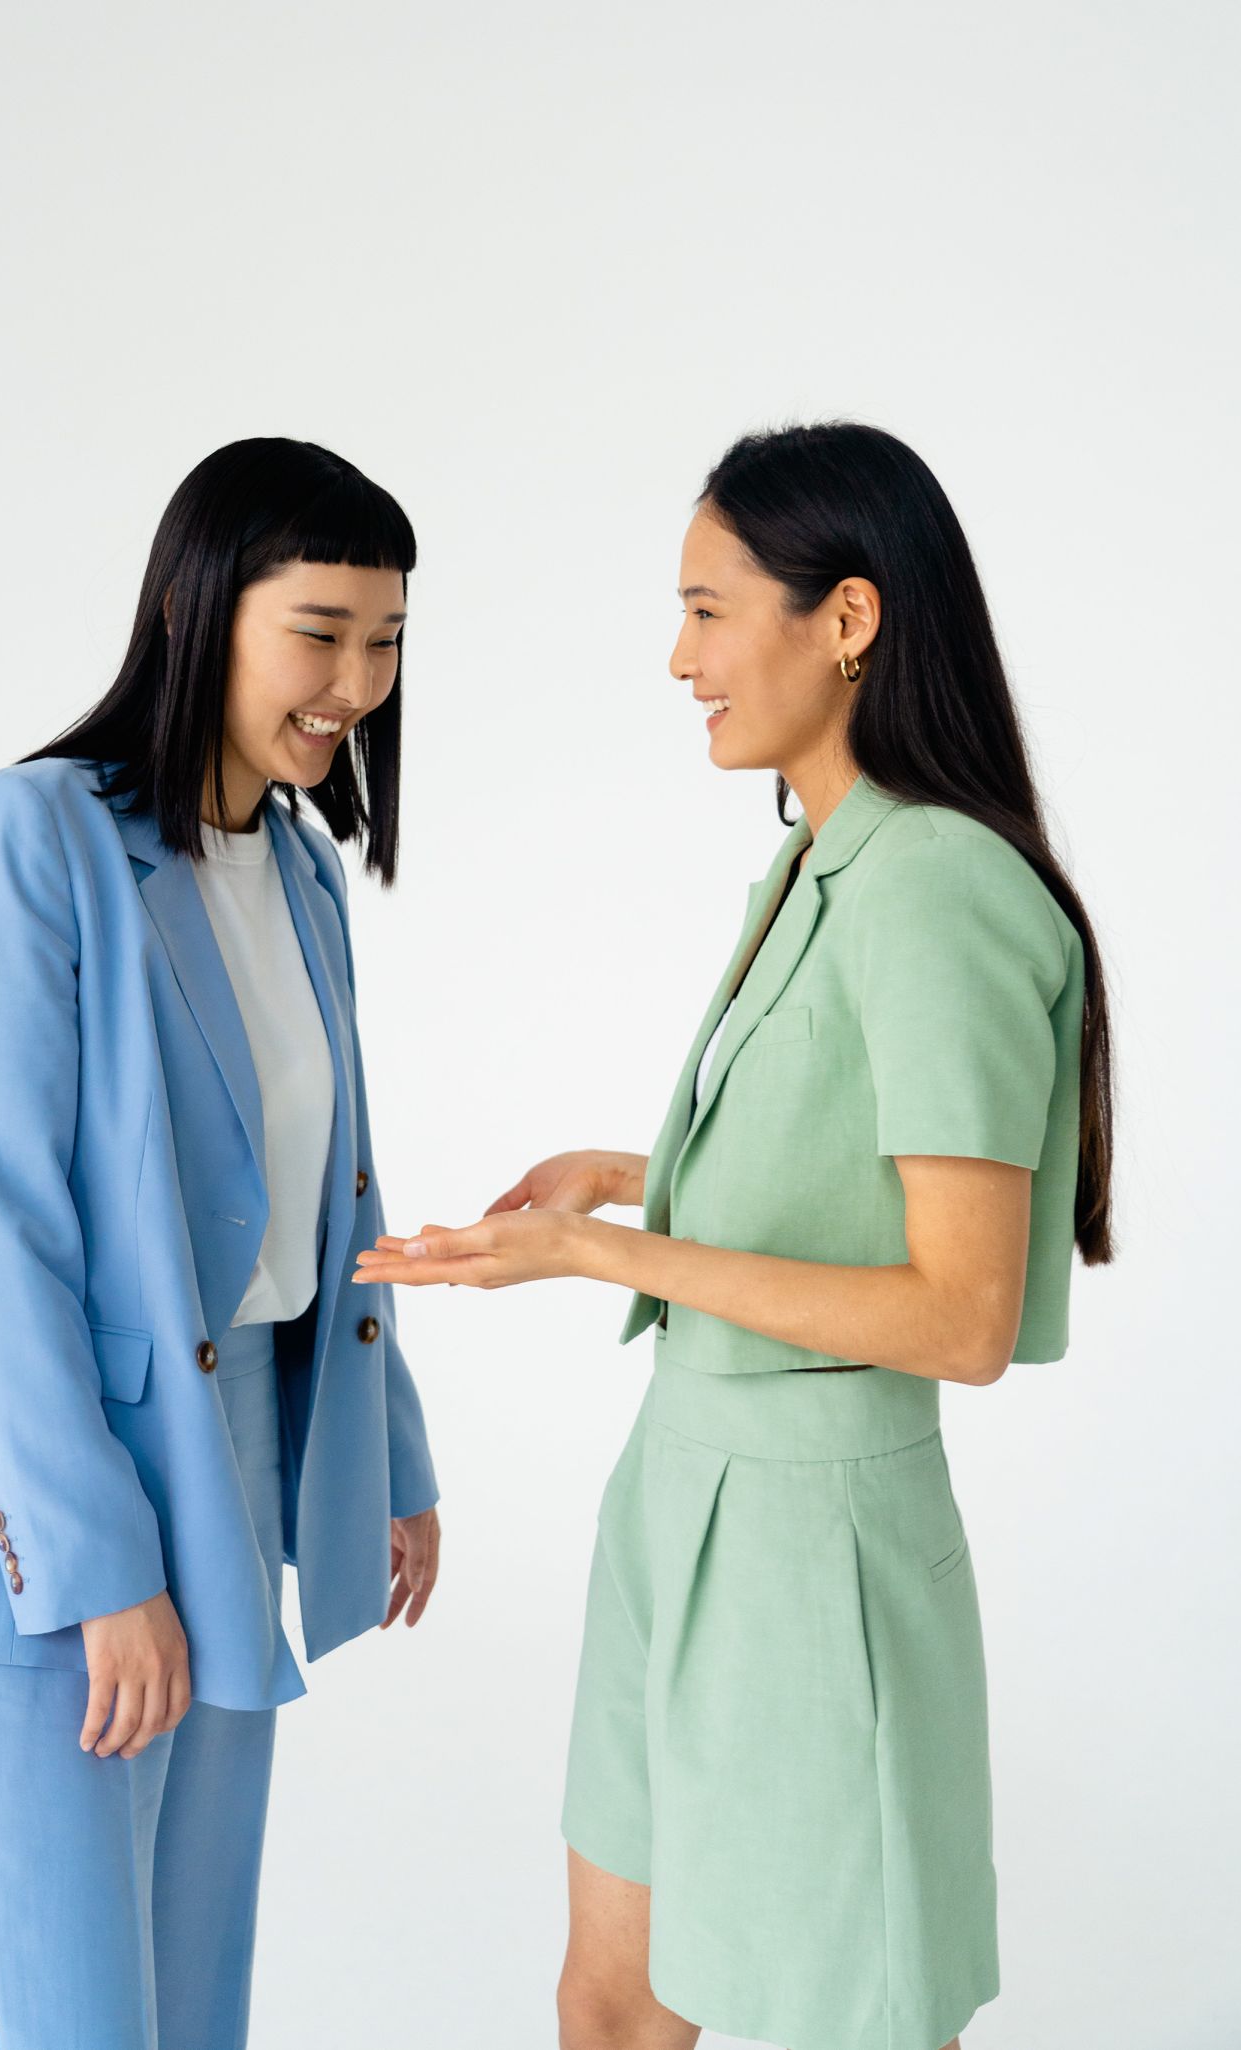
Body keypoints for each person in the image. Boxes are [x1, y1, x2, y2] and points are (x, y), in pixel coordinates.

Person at [355, 420, 1115, 2050]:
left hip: (814, 1533)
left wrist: (606, 1256)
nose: (680, 658)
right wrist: (634, 1173)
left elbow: (962, 1311)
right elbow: (855, 1167)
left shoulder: (936, 883)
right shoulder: (821, 857)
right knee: (613, 2004)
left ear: (847, 618)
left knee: (848, 2018)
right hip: (682, 1485)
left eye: (708, 609)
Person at [0, 436, 441, 2050]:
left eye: (386, 641)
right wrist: (96, 1563)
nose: (356, 684)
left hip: (235, 1477)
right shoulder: (32, 835)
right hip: (53, 1513)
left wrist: (386, 1451)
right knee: (40, 2017)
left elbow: (334, 1189)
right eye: (320, 632)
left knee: (187, 2018)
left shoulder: (303, 868)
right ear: (197, 609)